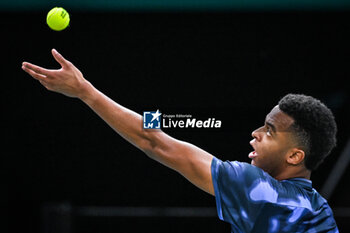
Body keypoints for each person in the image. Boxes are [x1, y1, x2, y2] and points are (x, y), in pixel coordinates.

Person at [22, 49, 339, 233]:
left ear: (295, 156)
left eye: (269, 131)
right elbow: (161, 128)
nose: (256, 134)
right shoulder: (320, 210)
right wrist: (168, 118)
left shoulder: (260, 190)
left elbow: (155, 142)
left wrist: (86, 92)